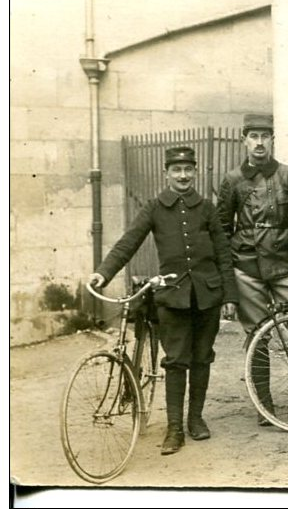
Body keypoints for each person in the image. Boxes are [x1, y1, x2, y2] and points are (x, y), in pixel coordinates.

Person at [89, 147, 238, 455]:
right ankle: (174, 428)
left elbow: (224, 254)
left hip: (207, 296)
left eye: (188, 169)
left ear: (195, 171)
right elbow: (128, 242)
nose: (183, 175)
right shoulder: (155, 208)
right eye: (176, 169)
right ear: (166, 173)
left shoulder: (207, 208)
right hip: (172, 297)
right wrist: (103, 273)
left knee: (202, 357)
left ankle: (195, 419)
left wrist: (230, 296)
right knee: (175, 361)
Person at [216, 113, 288, 427]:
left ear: (273, 139)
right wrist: (230, 275)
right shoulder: (232, 180)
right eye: (253, 136)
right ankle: (264, 403)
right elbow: (222, 228)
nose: (259, 143)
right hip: (248, 266)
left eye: (265, 136)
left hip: (287, 262)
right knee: (257, 334)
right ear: (244, 140)